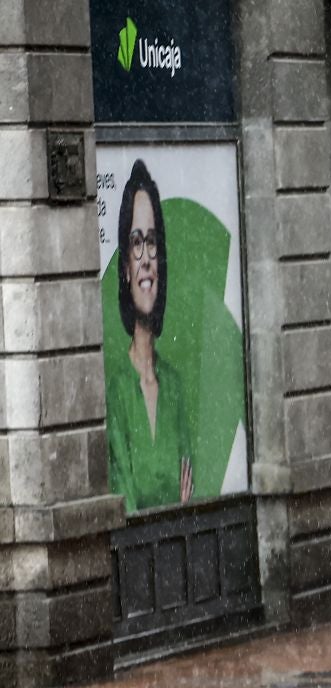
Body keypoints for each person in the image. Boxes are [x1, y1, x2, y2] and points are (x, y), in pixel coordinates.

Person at [104, 160, 192, 512]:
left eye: (152, 243)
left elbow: (188, 489)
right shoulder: (117, 390)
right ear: (125, 267)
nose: (145, 259)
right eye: (136, 242)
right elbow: (127, 500)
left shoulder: (174, 385)